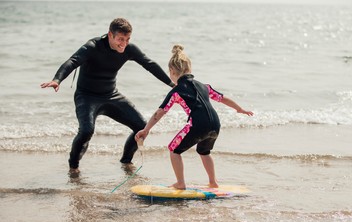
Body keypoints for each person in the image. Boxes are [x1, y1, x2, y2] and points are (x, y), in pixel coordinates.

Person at [41, 18, 175, 173]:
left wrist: (172, 85)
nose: (124, 44)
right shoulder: (92, 47)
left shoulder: (129, 49)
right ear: (110, 35)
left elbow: (149, 64)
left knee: (141, 126)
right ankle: (73, 166)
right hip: (86, 97)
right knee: (86, 131)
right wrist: (57, 80)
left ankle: (126, 162)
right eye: (120, 39)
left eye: (127, 39)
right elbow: (72, 61)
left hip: (111, 95)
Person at [135, 44, 253, 189]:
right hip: (215, 124)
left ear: (171, 71)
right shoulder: (204, 86)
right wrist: (239, 109)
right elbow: (222, 98)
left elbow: (159, 113)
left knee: (174, 149)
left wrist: (146, 130)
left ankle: (180, 183)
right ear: (189, 68)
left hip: (198, 125)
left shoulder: (176, 91)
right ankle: (213, 182)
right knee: (204, 151)